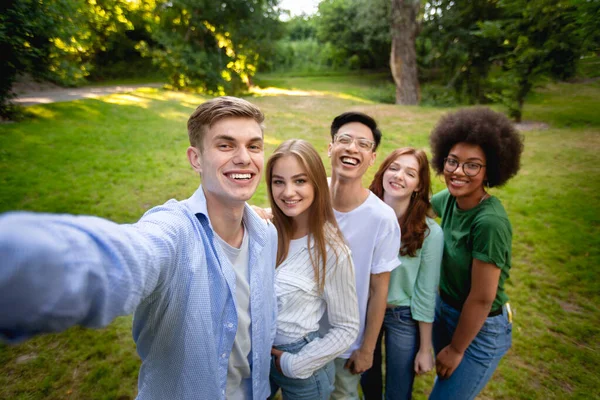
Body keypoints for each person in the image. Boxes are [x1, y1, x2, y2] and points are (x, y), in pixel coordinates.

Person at [0, 96, 278, 400]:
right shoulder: (174, 232)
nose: (244, 158)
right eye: (225, 145)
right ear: (195, 158)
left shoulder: (266, 235)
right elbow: (130, 255)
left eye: (253, 146)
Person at [428, 107, 524, 399]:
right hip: (444, 310)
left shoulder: (490, 223)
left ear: (490, 170)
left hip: (479, 329)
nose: (458, 172)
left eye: (472, 165)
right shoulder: (450, 198)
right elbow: (413, 214)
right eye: (453, 161)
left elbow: (482, 298)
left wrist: (457, 349)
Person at [266, 139, 359, 400]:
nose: (288, 192)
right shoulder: (264, 231)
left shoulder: (332, 251)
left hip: (302, 363)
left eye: (300, 181)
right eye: (278, 181)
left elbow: (347, 327)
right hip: (258, 354)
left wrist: (294, 364)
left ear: (317, 183)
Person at [326, 112, 401, 400]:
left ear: (371, 158)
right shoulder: (307, 195)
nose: (352, 148)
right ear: (330, 147)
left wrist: (367, 348)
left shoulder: (382, 218)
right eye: (344, 140)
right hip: (294, 334)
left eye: (363, 144)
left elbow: (379, 288)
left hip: (344, 343)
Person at [361, 147, 444, 400]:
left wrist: (425, 348)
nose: (399, 176)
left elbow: (426, 293)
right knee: (367, 383)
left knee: (399, 392)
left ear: (419, 185)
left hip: (402, 315)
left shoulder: (430, 233)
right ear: (383, 171)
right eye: (394, 168)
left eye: (410, 173)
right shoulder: (363, 214)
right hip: (364, 309)